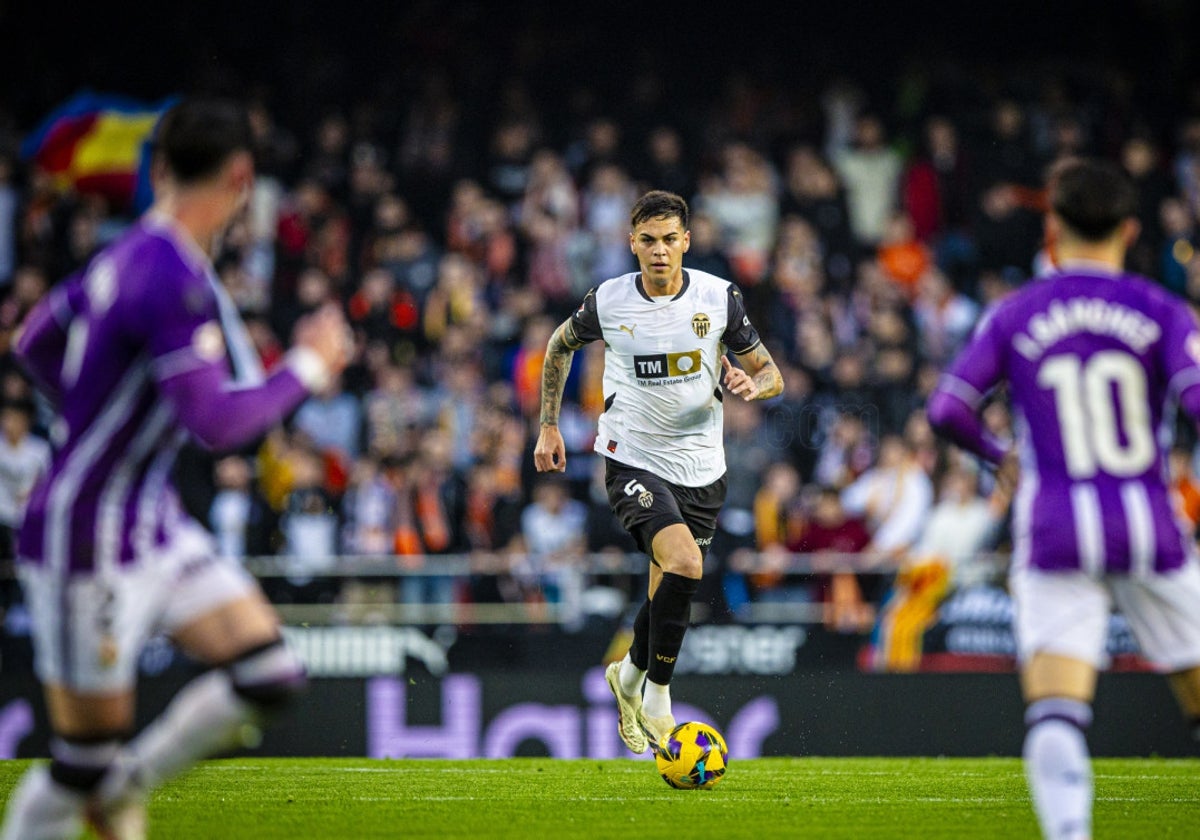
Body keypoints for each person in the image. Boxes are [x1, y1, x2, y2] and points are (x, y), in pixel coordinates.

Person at [0, 98, 352, 840]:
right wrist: (307, 369)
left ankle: (131, 782)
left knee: (269, 673)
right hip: (84, 538)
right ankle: (103, 787)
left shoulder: (126, 254)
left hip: (149, 519)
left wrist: (94, 425)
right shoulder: (171, 279)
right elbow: (217, 425)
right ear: (242, 179)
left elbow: (33, 343)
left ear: (158, 170)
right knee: (79, 764)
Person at [927, 158, 1200, 840]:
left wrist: (1000, 460)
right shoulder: (1161, 309)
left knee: (1056, 713)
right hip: (1150, 527)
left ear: (1052, 224)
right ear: (1130, 229)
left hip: (1054, 526)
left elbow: (947, 409)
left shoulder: (1017, 311)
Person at [533, 190, 782, 754]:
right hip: (633, 457)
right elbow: (557, 346)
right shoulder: (610, 300)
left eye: (670, 239)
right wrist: (549, 424)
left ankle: (628, 676)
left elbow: (771, 373)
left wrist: (752, 383)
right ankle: (658, 695)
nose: (660, 251)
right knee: (686, 562)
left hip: (702, 468)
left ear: (687, 242)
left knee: (671, 584)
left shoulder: (720, 298)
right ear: (632, 243)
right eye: (648, 240)